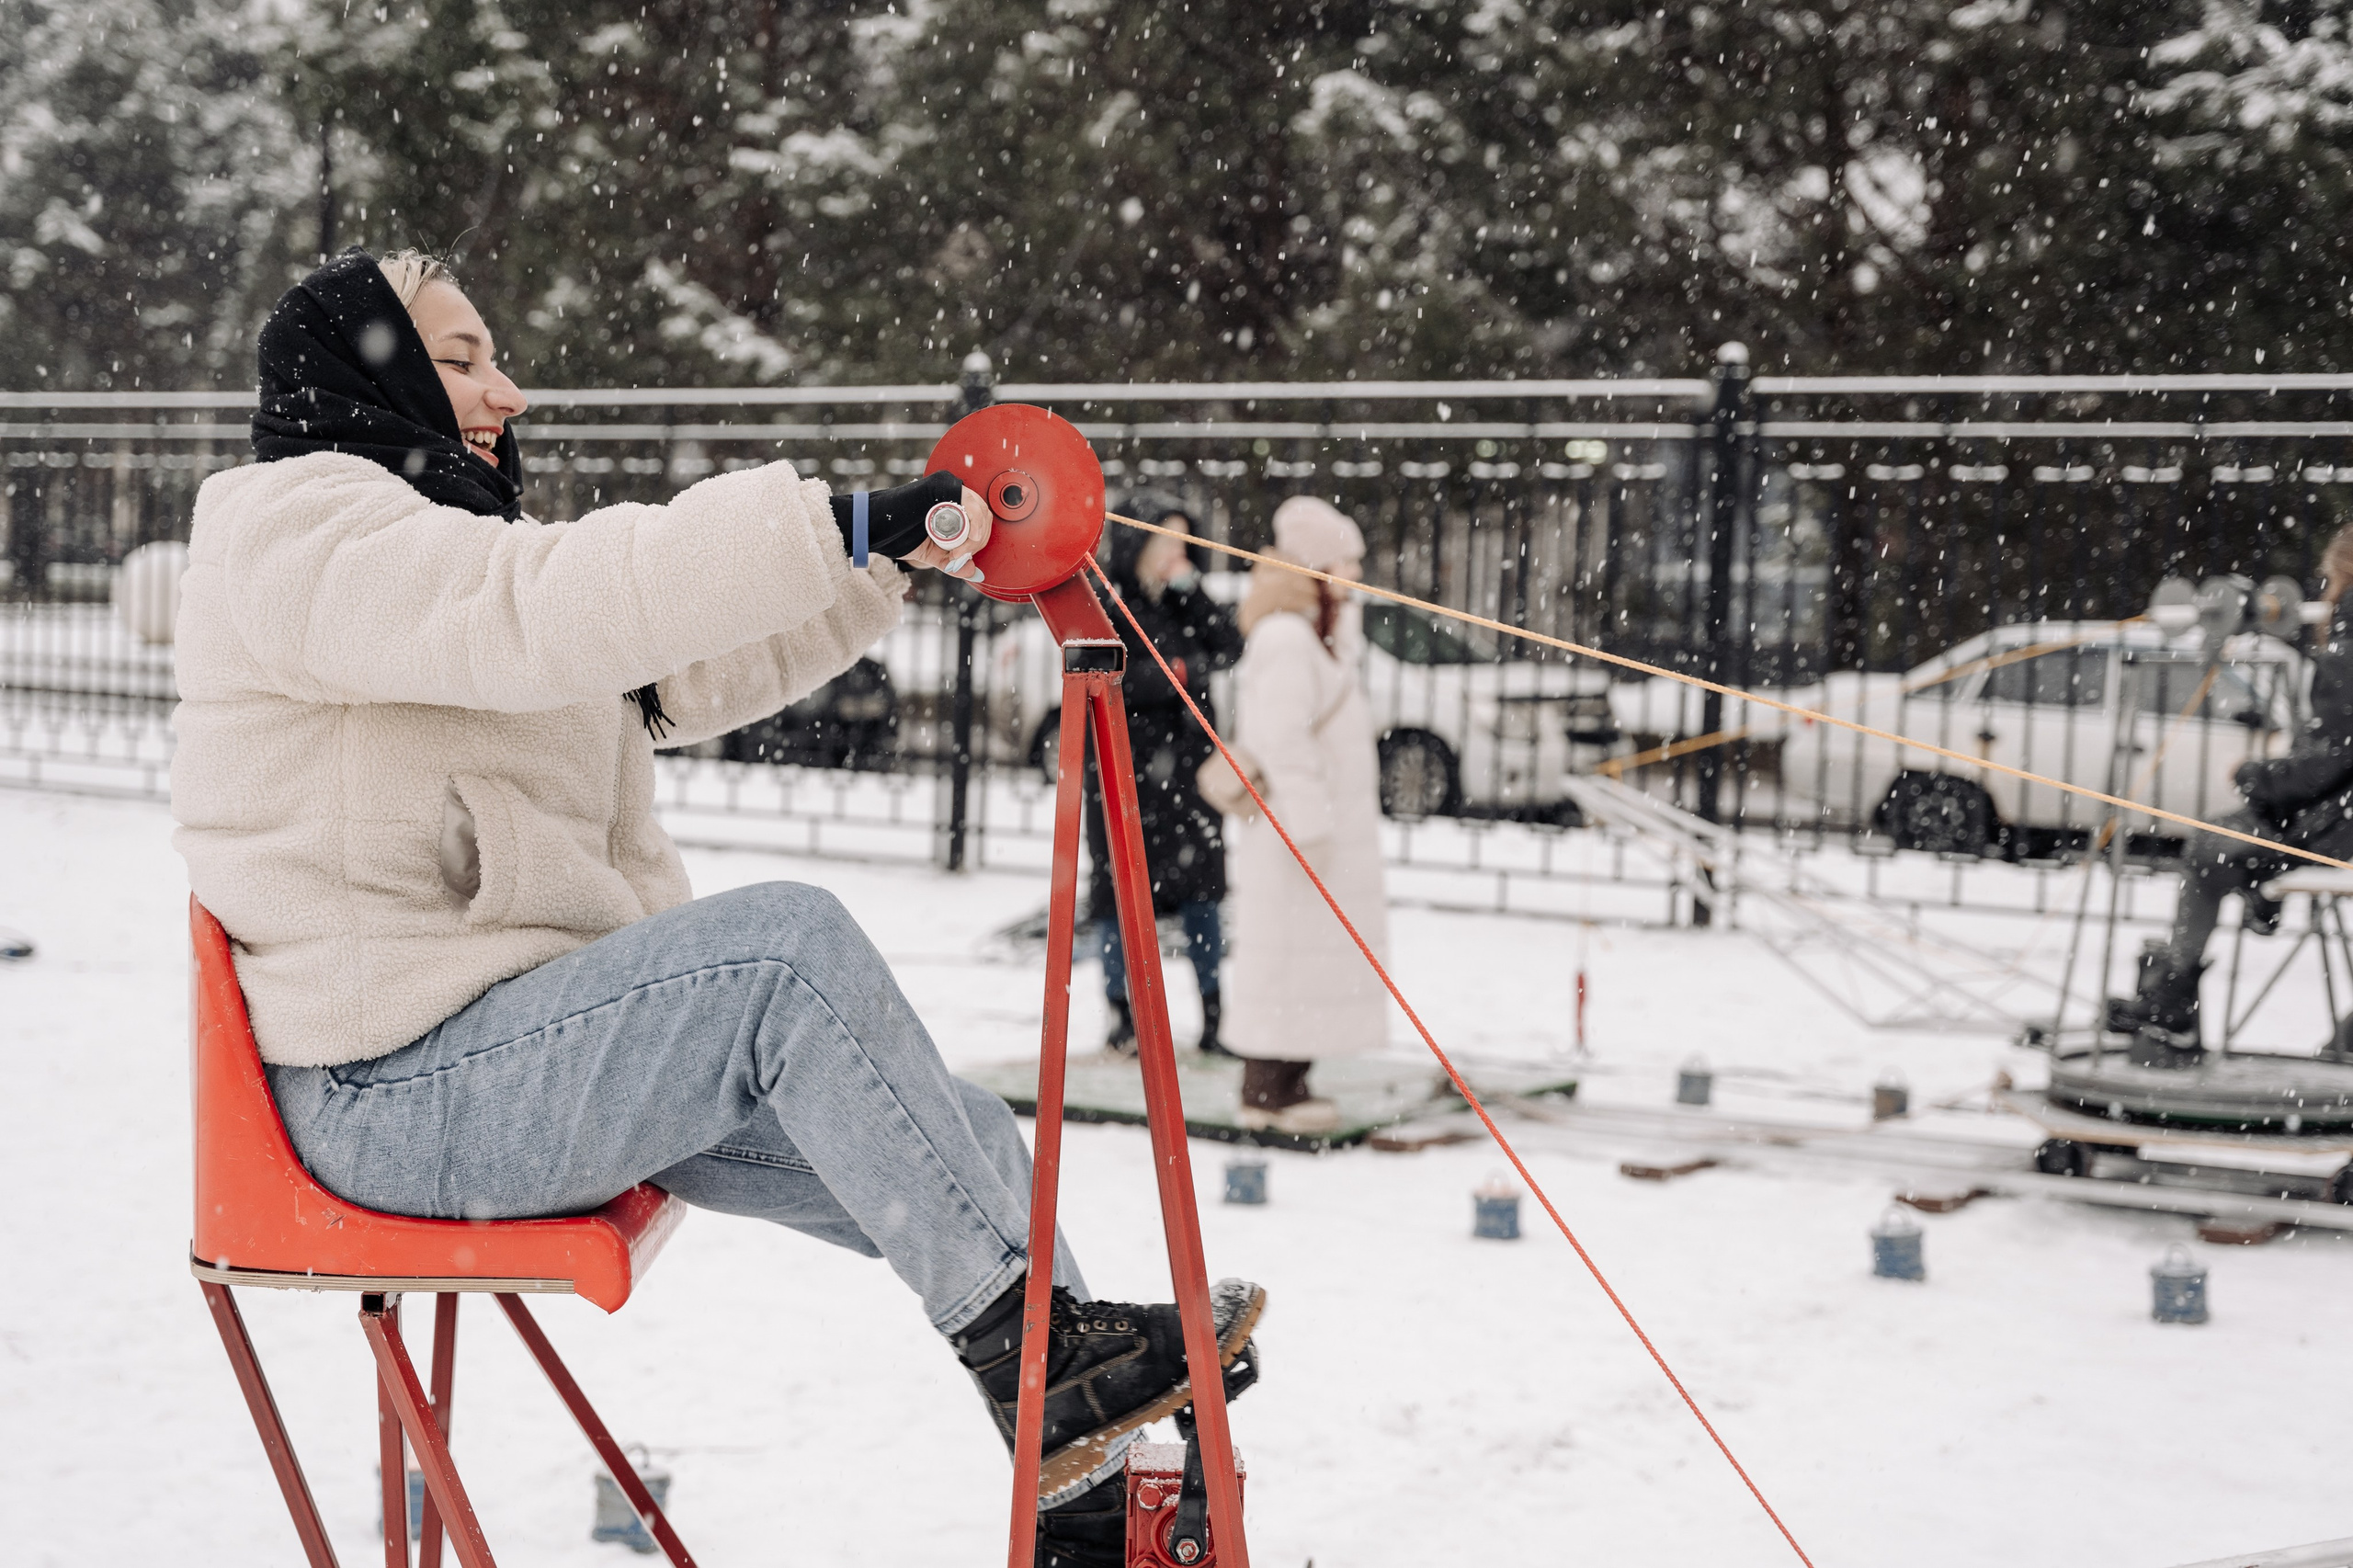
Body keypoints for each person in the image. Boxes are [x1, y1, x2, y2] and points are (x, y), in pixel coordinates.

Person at [168, 248, 1260, 1566]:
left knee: (965, 1137)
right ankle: (1043, 1365)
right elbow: (540, 608)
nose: (508, 392)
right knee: (781, 957)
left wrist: (881, 556)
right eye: (460, 361)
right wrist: (826, 521)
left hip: (504, 1058)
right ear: (358, 374)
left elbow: (664, 673)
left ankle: (1081, 1482)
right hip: (384, 1095)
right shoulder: (300, 532)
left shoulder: (439, 554)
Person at [2108, 522, 2353, 1062]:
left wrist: (2254, 775)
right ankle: (2189, 982)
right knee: (2227, 841)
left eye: (2329, 580)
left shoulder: (2346, 651)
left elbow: (2330, 762)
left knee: (2208, 846)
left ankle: (2175, 1000)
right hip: (2333, 822)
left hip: (2333, 831)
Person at [1223, 497, 1393, 1133]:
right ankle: (1266, 1089)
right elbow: (1282, 739)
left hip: (1317, 828)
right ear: (1316, 567)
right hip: (1296, 831)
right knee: (1286, 956)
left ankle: (1291, 1080)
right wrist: (1311, 824)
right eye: (1345, 562)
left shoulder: (1314, 634)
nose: (1357, 574)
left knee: (1313, 955)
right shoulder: (1286, 638)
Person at [1083, 496, 1244, 1055]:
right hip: (1127, 770)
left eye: (1182, 540)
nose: (1175, 552)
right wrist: (1175, 672)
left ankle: (1215, 1018)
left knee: (1203, 890)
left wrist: (1191, 590)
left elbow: (1230, 644)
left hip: (1189, 775)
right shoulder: (1107, 600)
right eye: (1164, 540)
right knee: (1120, 895)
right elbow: (1103, 674)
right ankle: (1123, 1018)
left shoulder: (1183, 603)